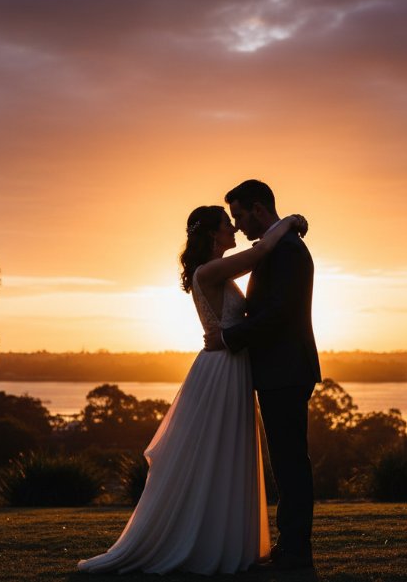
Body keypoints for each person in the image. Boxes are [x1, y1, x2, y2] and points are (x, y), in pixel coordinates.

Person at [76, 204, 307, 575]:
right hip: (222, 369)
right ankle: (200, 541)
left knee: (226, 454)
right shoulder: (210, 271)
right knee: (216, 452)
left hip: (230, 364)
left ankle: (224, 539)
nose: (234, 229)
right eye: (227, 225)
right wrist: (290, 222)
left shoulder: (214, 271)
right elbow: (262, 251)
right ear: (213, 235)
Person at [205, 179, 322, 570]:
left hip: (286, 369)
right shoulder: (277, 246)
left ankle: (295, 551)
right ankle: (290, 546)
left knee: (290, 464)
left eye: (238, 214)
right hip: (278, 369)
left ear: (258, 209)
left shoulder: (286, 250)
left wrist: (228, 337)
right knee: (287, 463)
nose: (236, 225)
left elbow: (278, 315)